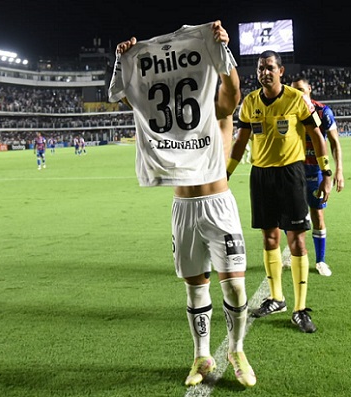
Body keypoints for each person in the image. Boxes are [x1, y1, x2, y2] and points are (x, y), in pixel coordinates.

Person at [109, 21, 256, 388]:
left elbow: (233, 94)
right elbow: (133, 97)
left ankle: (236, 349)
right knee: (196, 288)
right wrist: (125, 61)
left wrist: (224, 49)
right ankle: (201, 356)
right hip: (184, 208)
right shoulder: (165, 111)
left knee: (235, 287)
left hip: (218, 202)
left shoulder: (214, 104)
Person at [227, 50, 333, 333]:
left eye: (270, 67)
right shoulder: (249, 103)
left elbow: (316, 136)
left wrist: (327, 173)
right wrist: (226, 173)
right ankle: (276, 298)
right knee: (269, 237)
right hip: (261, 175)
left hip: (291, 174)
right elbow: (240, 143)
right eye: (261, 68)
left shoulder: (296, 99)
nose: (265, 72)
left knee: (296, 240)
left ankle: (300, 309)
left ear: (281, 71)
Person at [291, 76, 345, 277]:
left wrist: (337, 171)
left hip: (315, 171)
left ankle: (320, 261)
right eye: (294, 91)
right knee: (289, 214)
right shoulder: (288, 112)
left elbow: (334, 142)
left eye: (301, 90)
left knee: (317, 214)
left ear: (310, 89)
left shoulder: (323, 112)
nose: (298, 94)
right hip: (293, 170)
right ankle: (294, 251)